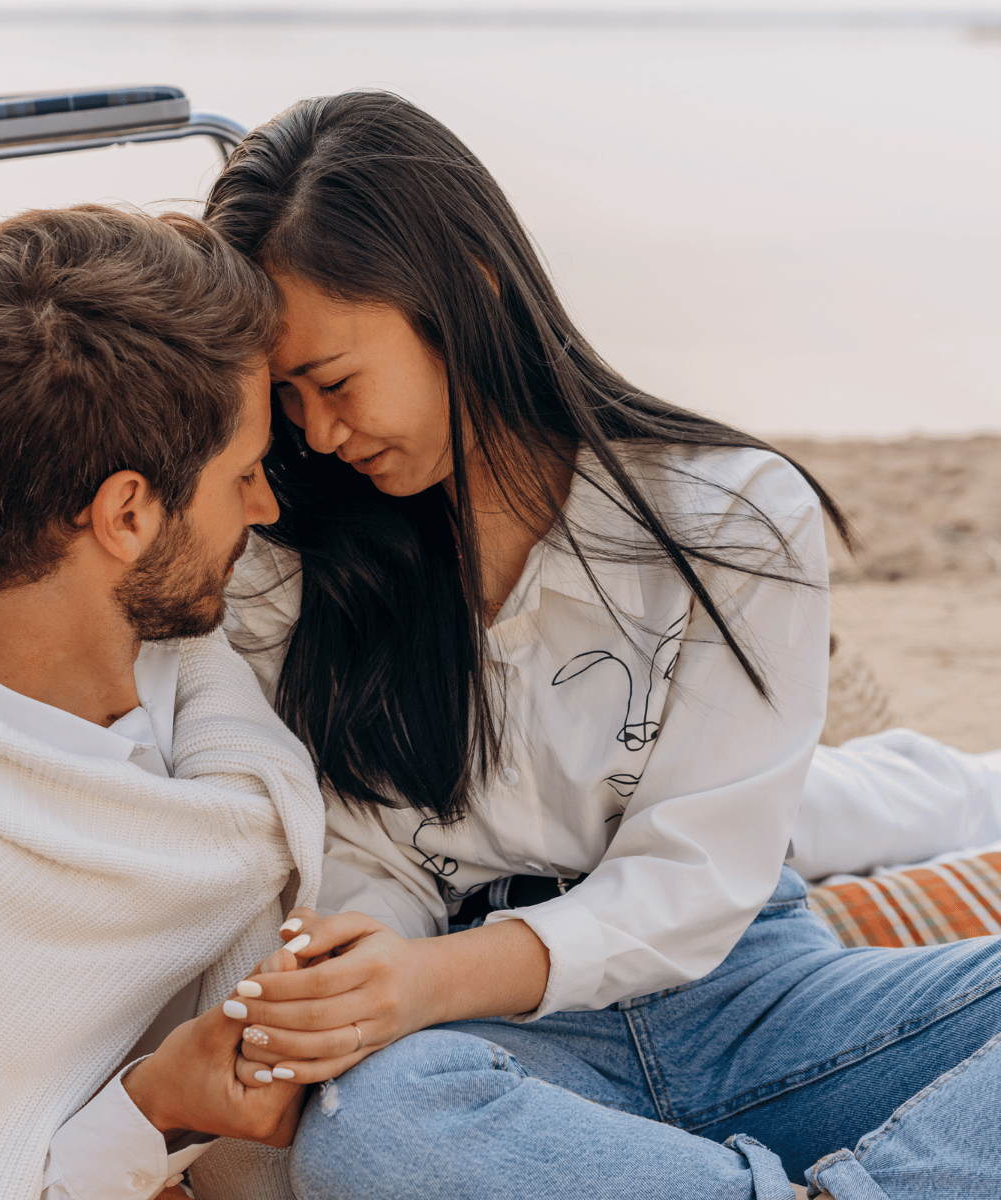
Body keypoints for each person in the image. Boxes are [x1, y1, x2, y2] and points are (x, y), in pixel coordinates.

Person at [204, 93, 1001, 1198]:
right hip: (503, 1052)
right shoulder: (293, 566)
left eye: (334, 381)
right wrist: (358, 978)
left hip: (756, 1002)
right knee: (377, 1131)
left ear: (467, 286)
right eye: (287, 401)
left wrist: (422, 980)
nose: (320, 434)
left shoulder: (731, 517)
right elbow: (367, 867)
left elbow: (696, 878)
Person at [0, 205, 327, 1200]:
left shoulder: (164, 652)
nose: (265, 509)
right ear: (127, 513)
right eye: (246, 475)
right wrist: (151, 1112)